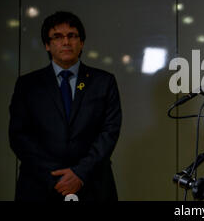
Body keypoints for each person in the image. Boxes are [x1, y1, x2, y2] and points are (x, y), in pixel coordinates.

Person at [9, 11, 122, 201]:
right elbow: (19, 136)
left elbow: (109, 132)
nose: (66, 42)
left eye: (72, 36)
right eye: (57, 37)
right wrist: (56, 177)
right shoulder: (27, 85)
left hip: (93, 184)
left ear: (82, 42)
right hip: (40, 186)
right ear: (47, 45)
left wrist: (79, 173)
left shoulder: (104, 82)